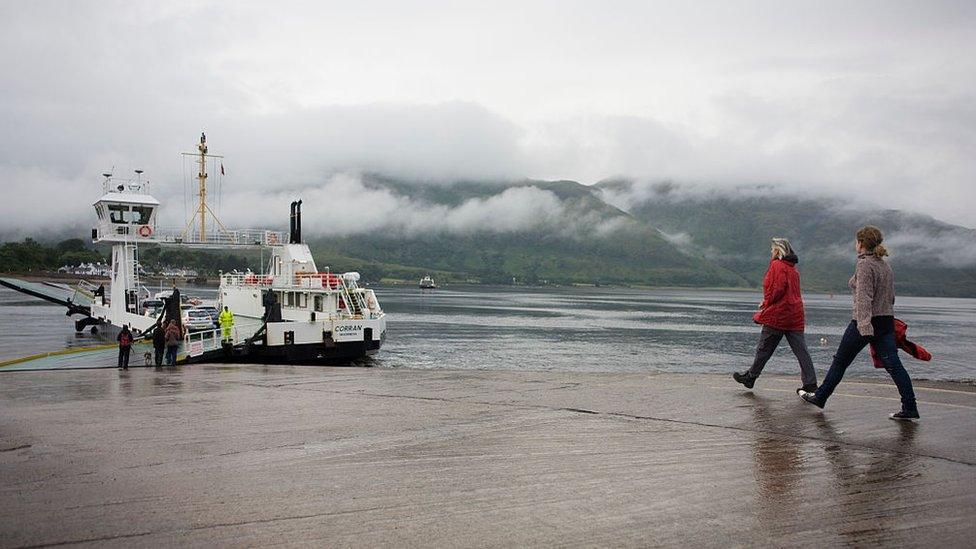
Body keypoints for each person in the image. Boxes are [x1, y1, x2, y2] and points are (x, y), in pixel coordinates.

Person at [800, 226, 919, 420]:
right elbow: (891, 297)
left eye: (856, 242)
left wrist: (864, 327)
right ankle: (910, 407)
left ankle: (820, 397)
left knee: (840, 361)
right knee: (895, 366)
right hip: (885, 321)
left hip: (864, 322)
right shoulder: (885, 265)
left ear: (861, 244)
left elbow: (864, 297)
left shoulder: (864, 265)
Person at [733, 238, 818, 393]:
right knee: (801, 351)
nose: (771, 253)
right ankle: (810, 383)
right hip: (795, 314)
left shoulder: (777, 265)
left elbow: (776, 289)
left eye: (772, 250)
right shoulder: (793, 269)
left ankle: (751, 377)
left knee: (764, 348)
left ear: (778, 251)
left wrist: (766, 302)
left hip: (779, 315)